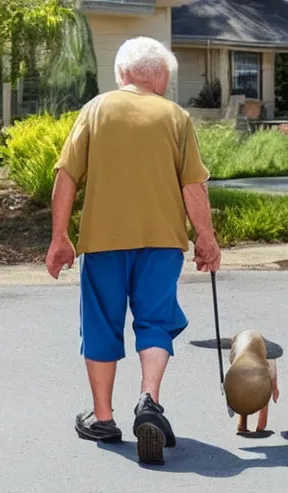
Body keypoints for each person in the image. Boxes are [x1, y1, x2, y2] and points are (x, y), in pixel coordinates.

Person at [45, 36, 221, 465]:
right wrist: (206, 237)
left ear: (121, 73)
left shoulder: (96, 109)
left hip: (103, 243)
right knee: (155, 322)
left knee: (101, 325)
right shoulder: (175, 116)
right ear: (159, 77)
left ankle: (103, 418)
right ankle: (149, 401)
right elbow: (192, 185)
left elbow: (66, 175)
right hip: (162, 243)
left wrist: (59, 237)